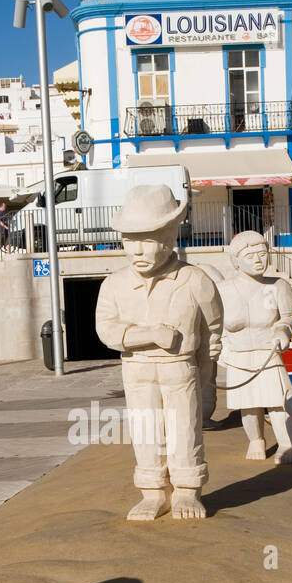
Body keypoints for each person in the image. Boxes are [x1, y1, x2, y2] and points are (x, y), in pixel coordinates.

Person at [95, 184, 222, 521]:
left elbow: (213, 331)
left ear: (169, 237)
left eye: (147, 239)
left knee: (185, 430)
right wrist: (148, 334)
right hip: (137, 371)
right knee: (146, 431)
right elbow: (106, 330)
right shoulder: (115, 284)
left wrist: (208, 379)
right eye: (129, 240)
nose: (136, 250)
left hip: (180, 370)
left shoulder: (195, 280)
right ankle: (153, 493)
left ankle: (186, 492)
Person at [215, 231, 292, 461]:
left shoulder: (277, 286)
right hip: (237, 353)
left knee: (278, 402)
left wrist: (283, 330)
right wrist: (218, 346)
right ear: (236, 261)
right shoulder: (223, 290)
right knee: (248, 404)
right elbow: (215, 323)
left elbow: (287, 318)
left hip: (268, 352)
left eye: (262, 254)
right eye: (250, 256)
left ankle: (286, 443)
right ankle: (256, 441)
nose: (259, 260)